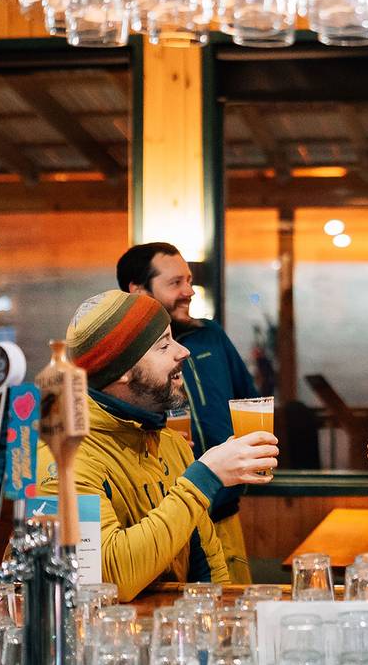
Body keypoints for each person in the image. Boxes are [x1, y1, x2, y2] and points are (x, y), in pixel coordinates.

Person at [36, 291, 278, 602]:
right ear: (122, 370)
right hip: (100, 643)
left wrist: (222, 624)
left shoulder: (168, 441)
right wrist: (205, 477)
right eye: (163, 345)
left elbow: (207, 558)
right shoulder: (60, 458)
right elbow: (110, 576)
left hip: (173, 634)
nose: (183, 352)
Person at [116, 242, 258, 583]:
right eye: (175, 283)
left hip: (224, 512)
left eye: (189, 280)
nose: (189, 291)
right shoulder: (125, 356)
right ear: (138, 290)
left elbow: (249, 400)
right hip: (164, 524)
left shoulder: (210, 335)